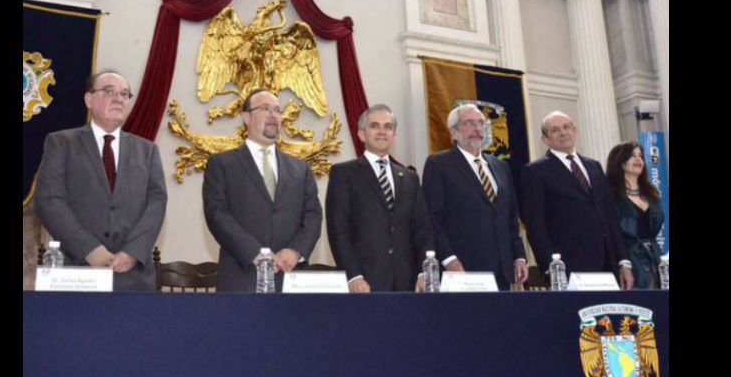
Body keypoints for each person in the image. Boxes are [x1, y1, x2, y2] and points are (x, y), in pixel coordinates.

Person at [35, 70, 168, 291]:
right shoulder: (61, 143)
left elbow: (157, 202)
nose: (119, 99)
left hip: (133, 276)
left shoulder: (147, 150)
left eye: (125, 94)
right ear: (89, 100)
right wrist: (89, 249)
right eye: (109, 91)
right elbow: (49, 200)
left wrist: (133, 252)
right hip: (78, 273)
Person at [202, 89, 322, 292]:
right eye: (265, 108)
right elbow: (217, 215)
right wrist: (257, 253)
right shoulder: (222, 164)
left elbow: (313, 216)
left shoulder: (300, 169)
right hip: (243, 276)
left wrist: (295, 251)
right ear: (246, 117)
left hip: (291, 278)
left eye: (277, 110)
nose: (273, 115)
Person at [519, 111, 634, 289]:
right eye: (555, 130)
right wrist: (551, 268)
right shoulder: (535, 171)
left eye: (567, 127)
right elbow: (535, 225)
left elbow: (610, 216)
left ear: (575, 131)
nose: (563, 133)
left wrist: (623, 262)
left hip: (608, 264)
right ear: (545, 139)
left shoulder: (593, 166)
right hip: (568, 266)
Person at [326, 104, 433, 292]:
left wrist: (424, 272)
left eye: (388, 127)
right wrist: (353, 276)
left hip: (407, 283)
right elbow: (338, 230)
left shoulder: (410, 178)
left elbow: (422, 230)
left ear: (395, 135)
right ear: (361, 134)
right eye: (374, 126)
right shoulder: (343, 174)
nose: (382, 131)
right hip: (364, 283)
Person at [422, 103, 528, 291]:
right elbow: (432, 219)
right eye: (469, 123)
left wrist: (519, 256)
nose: (477, 129)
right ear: (453, 133)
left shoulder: (500, 166)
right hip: (462, 270)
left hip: (502, 271)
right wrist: (449, 260)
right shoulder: (439, 164)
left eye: (481, 123)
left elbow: (511, 217)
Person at [605, 142, 665, 289]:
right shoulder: (609, 194)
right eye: (632, 156)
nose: (638, 160)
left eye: (640, 156)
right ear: (619, 161)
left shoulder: (652, 193)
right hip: (626, 258)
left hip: (654, 257)